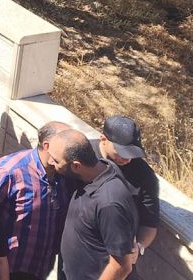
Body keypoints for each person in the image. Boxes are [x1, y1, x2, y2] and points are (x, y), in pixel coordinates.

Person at [47, 129, 139, 280]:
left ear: (76, 166)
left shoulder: (109, 203)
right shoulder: (102, 167)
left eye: (56, 161)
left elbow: (122, 266)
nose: (51, 163)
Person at [0, 120, 71, 280]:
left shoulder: (64, 173)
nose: (72, 151)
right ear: (47, 146)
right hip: (7, 267)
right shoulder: (11, 171)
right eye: (67, 145)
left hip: (39, 267)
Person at [100, 115, 160, 255]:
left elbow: (149, 223)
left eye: (132, 153)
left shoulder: (144, 175)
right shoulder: (85, 156)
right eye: (121, 152)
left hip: (117, 255)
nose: (127, 159)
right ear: (103, 140)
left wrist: (139, 247)